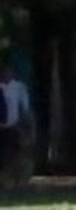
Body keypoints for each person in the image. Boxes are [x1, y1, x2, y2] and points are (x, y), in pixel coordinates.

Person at [0, 60, 34, 190]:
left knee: (14, 154)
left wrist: (25, 127)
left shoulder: (19, 87)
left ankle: (16, 182)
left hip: (14, 126)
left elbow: (24, 107)